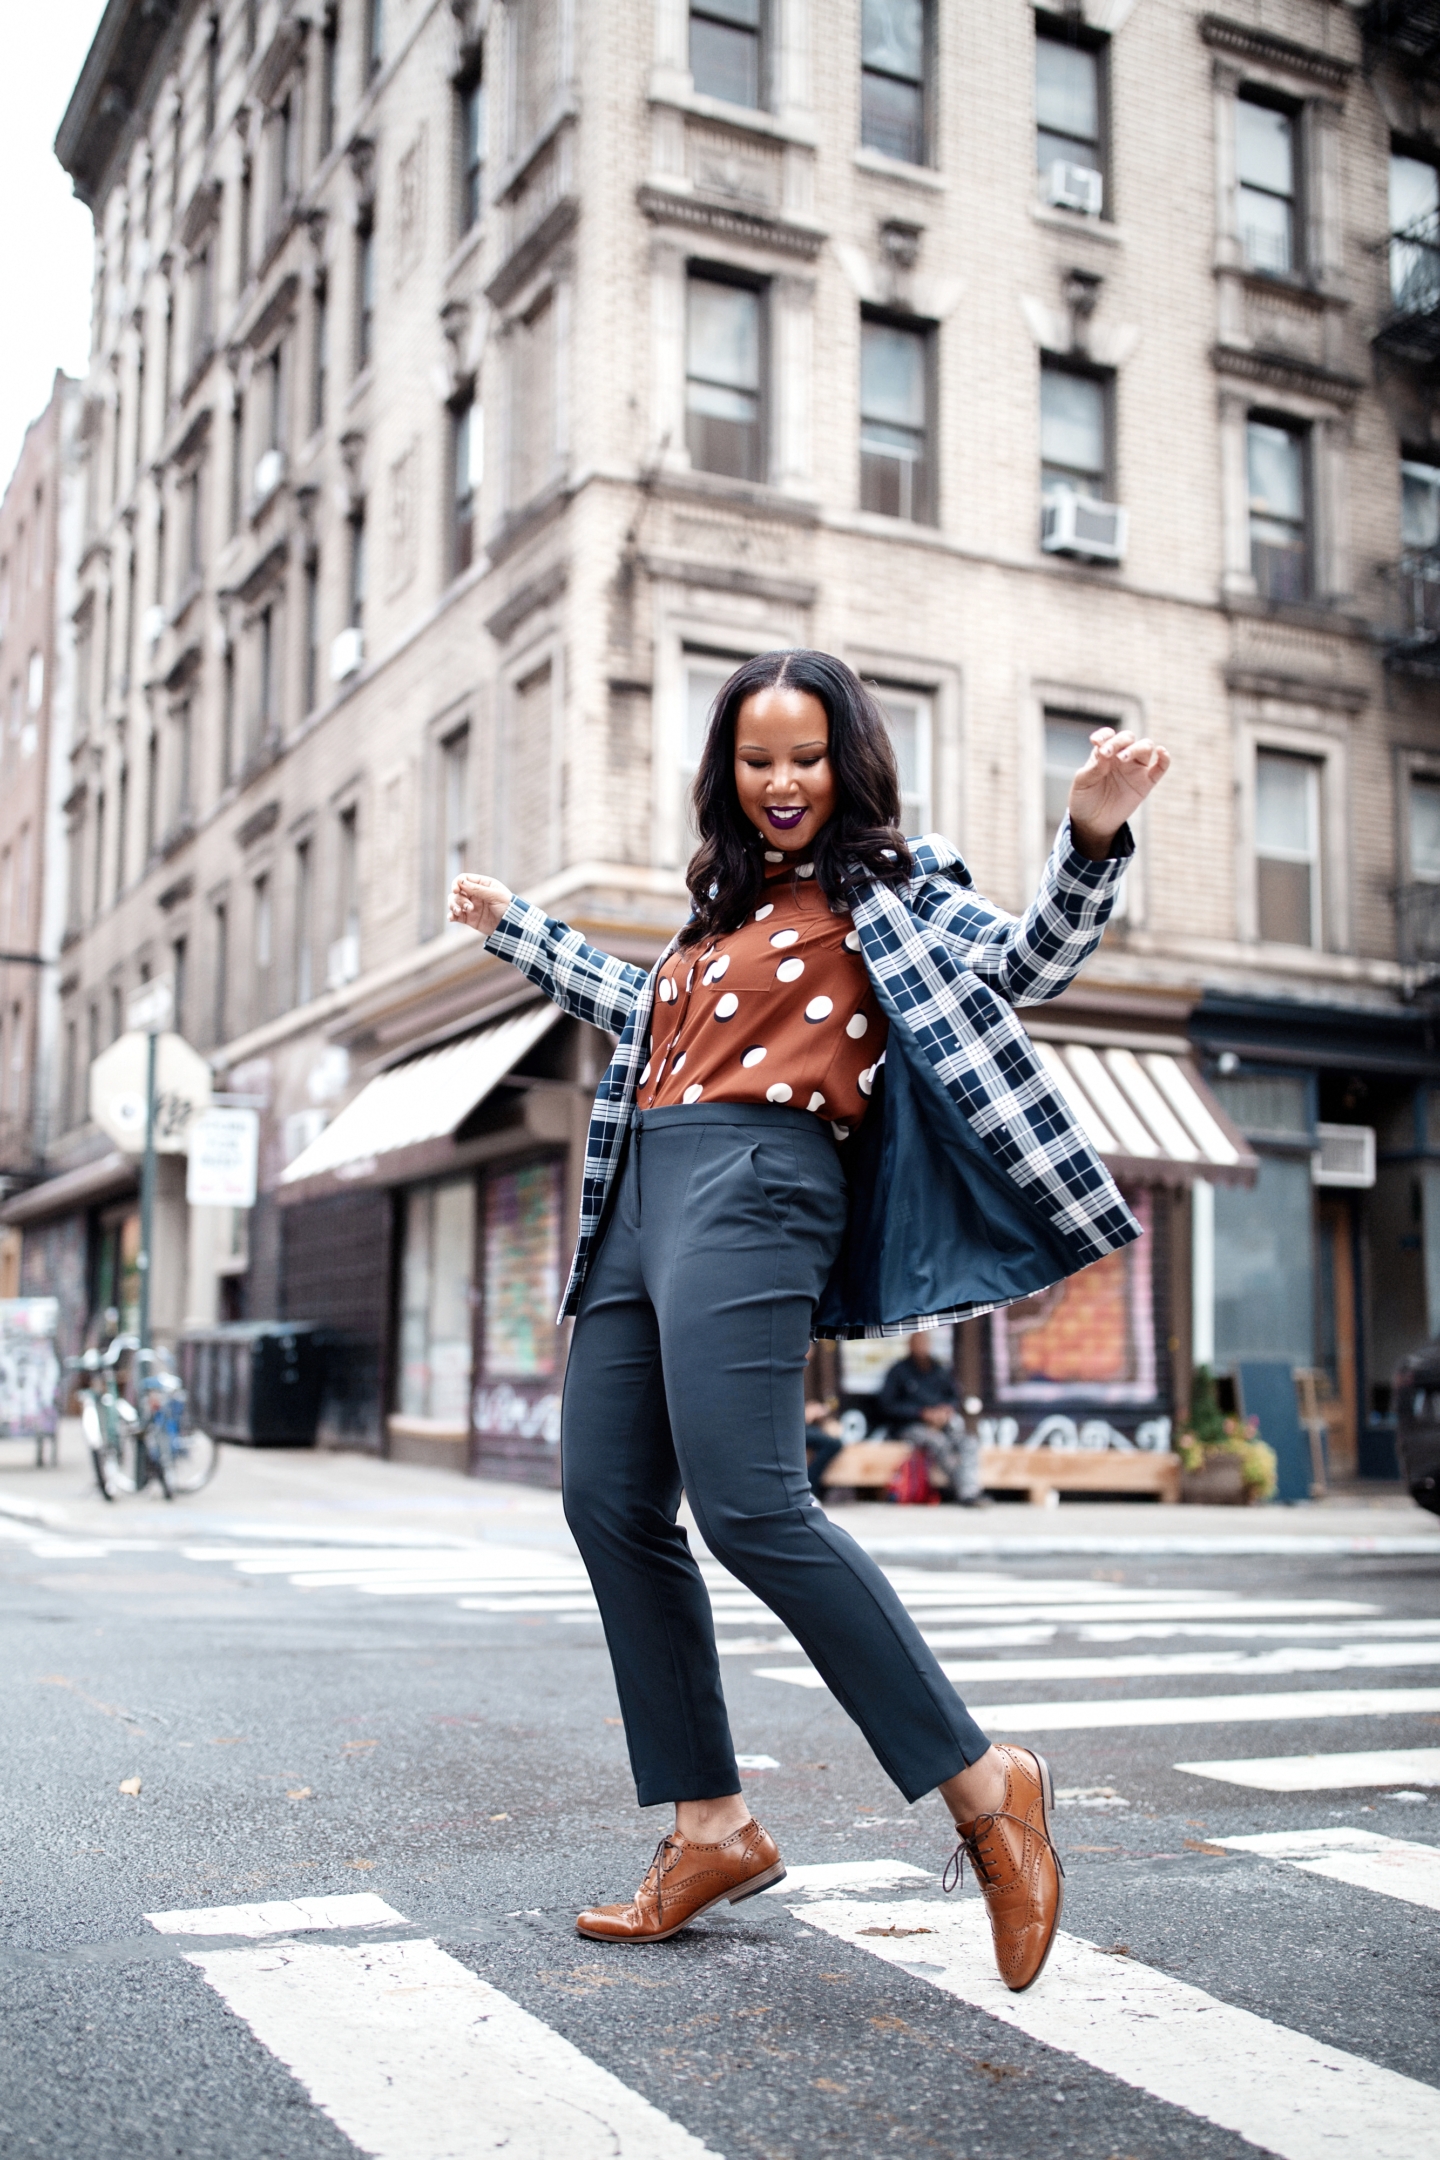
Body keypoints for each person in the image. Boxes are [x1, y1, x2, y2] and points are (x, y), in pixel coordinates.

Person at [450, 647, 1168, 1993]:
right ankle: (709, 1825)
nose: (782, 783)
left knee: (753, 1507)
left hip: (762, 1181)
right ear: (727, 774)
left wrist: (1091, 835)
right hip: (642, 1191)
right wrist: (519, 929)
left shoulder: (888, 890)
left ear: (849, 762)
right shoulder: (711, 915)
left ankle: (982, 1782)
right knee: (605, 1501)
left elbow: (1026, 963)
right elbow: (644, 1018)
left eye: (806, 757)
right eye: (756, 759)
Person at [878, 1333, 984, 1505]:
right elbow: (887, 1405)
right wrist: (921, 1413)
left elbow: (954, 1397)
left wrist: (945, 1411)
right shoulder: (898, 1371)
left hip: (942, 1424)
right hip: (910, 1427)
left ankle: (971, 1491)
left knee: (968, 1442)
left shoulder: (939, 1369)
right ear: (909, 1345)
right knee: (938, 1443)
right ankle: (965, 1492)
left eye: (924, 1342)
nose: (921, 1347)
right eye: (917, 1343)